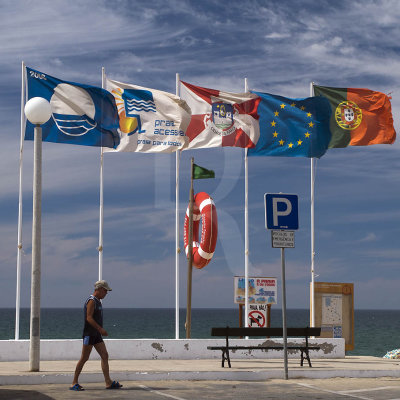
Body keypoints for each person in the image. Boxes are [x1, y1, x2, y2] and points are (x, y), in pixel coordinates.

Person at [70, 280, 122, 391]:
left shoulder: (98, 301)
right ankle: (74, 382)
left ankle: (108, 382)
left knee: (105, 355)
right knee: (84, 358)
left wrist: (99, 331)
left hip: (96, 335)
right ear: (98, 289)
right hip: (89, 334)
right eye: (105, 290)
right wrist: (100, 329)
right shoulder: (91, 301)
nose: (106, 293)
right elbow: (89, 317)